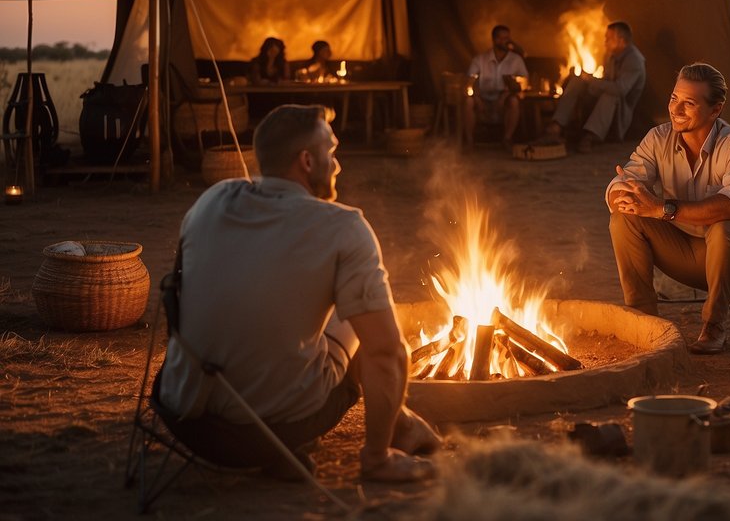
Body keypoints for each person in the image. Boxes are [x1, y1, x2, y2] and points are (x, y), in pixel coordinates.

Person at [156, 104, 439, 482]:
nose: (337, 165)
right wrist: (376, 459)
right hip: (267, 431)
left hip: (181, 417)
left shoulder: (211, 200)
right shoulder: (344, 226)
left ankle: (396, 424)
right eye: (332, 153)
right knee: (369, 324)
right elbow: (386, 352)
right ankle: (382, 452)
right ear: (307, 160)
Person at [606, 62, 730, 354]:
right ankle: (643, 321)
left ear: (716, 110)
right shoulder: (658, 137)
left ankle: (714, 325)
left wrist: (662, 208)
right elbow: (624, 179)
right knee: (623, 218)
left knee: (727, 228)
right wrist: (622, 196)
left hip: (727, 251)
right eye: (674, 98)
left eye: (689, 103)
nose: (676, 109)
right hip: (676, 247)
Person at [544, 21, 646, 152]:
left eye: (609, 38)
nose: (605, 41)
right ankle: (556, 127)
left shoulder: (634, 60)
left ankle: (590, 137)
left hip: (620, 110)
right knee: (578, 81)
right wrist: (588, 80)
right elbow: (606, 80)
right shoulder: (610, 56)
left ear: (621, 40)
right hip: (604, 101)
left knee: (611, 94)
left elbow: (620, 90)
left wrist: (592, 81)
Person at [464, 25, 528, 148]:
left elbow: (524, 82)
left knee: (514, 101)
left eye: (507, 38)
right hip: (483, 98)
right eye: (502, 38)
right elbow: (470, 81)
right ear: (495, 40)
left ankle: (507, 138)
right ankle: (469, 141)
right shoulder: (480, 60)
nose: (506, 41)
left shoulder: (516, 60)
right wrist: (476, 97)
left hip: (504, 99)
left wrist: (506, 94)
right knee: (468, 102)